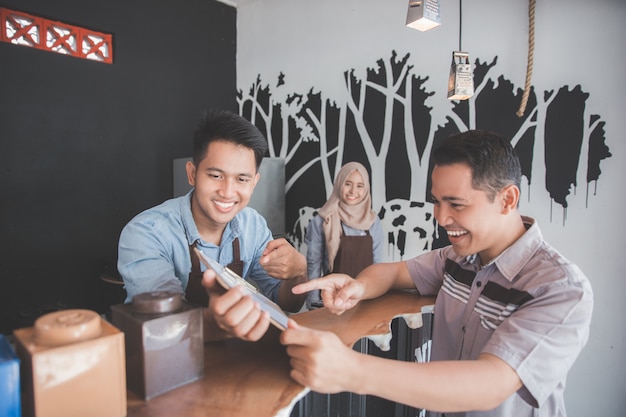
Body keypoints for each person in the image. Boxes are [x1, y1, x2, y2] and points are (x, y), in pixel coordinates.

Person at [281, 130, 593, 416]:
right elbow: (392, 273)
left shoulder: (561, 289)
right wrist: (357, 286)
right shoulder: (458, 258)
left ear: (507, 200)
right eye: (437, 202)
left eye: (456, 204)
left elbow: (491, 384)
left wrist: (351, 370)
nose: (441, 218)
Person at [118, 109, 307, 342]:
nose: (227, 192)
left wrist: (298, 273)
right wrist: (216, 323)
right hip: (166, 363)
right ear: (192, 173)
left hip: (234, 359)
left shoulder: (253, 226)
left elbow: (287, 301)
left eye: (241, 179)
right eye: (216, 176)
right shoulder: (146, 232)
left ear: (254, 182)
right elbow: (164, 325)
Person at [304, 161, 384, 309]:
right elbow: (313, 265)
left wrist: (378, 298)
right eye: (348, 184)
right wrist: (313, 302)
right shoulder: (323, 220)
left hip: (366, 299)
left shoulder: (373, 221)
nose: (353, 191)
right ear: (339, 184)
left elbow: (378, 266)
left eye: (360, 186)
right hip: (333, 300)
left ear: (366, 189)